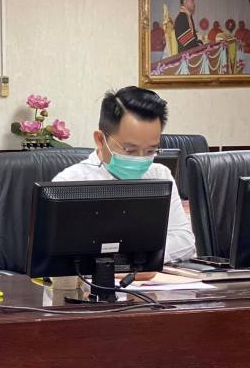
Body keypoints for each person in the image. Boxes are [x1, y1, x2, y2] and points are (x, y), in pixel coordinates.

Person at [53, 86, 195, 264]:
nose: (141, 159)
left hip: (149, 279)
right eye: (130, 150)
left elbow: (184, 241)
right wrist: (129, 258)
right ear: (100, 139)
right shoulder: (69, 183)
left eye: (151, 150)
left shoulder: (160, 175)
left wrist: (138, 259)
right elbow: (58, 253)